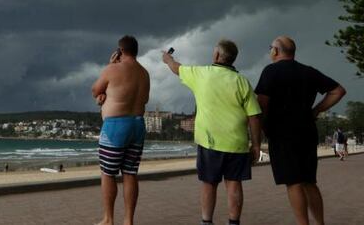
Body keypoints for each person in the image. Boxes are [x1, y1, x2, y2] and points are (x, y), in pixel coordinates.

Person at [162, 39, 261, 225]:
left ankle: (206, 222)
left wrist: (167, 59)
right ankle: (234, 222)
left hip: (210, 143)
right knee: (234, 184)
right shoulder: (242, 82)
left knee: (209, 183)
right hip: (237, 143)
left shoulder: (201, 74)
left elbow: (177, 68)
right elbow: (254, 116)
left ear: (216, 55)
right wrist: (256, 145)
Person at [255, 36, 346, 225]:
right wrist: (316, 110)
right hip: (307, 132)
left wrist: (259, 131)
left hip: (281, 134)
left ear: (276, 51)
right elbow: (338, 91)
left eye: (271, 47)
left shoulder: (270, 72)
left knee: (293, 182)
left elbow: (261, 104)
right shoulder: (308, 72)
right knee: (308, 181)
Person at [91, 35, 150, 225]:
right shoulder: (145, 73)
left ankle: (108, 219)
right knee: (130, 173)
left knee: (108, 174)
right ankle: (128, 221)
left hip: (116, 126)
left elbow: (95, 89)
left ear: (120, 51)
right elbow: (144, 100)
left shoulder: (112, 69)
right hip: (138, 125)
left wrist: (110, 66)